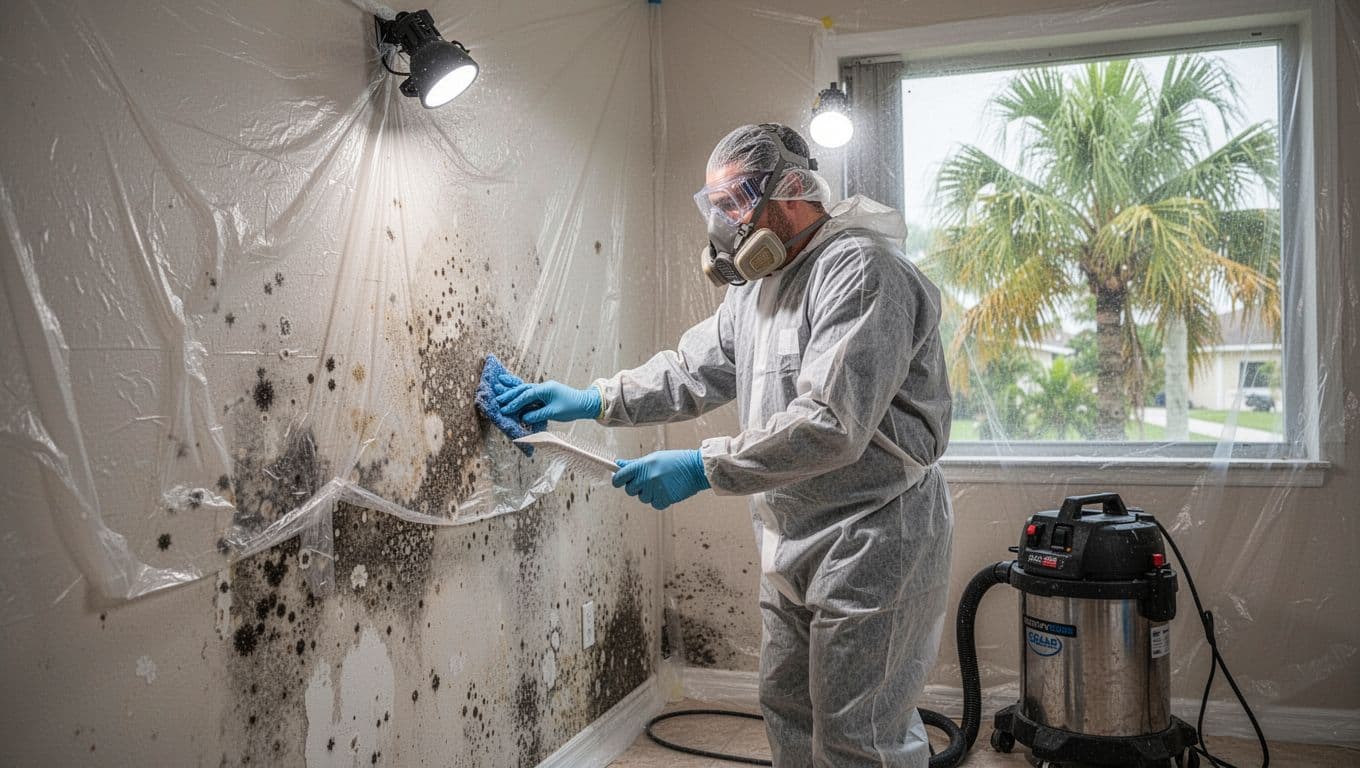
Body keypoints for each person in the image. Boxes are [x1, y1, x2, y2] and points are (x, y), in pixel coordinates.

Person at [493, 123, 954, 768]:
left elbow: (830, 423)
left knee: (860, 734)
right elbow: (690, 371)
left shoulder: (859, 270)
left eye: (736, 201)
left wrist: (702, 466)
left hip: (874, 532)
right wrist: (592, 399)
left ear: (792, 189)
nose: (724, 224)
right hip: (792, 532)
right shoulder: (759, 289)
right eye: (716, 205)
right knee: (788, 711)